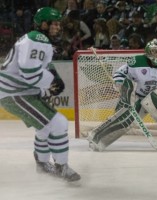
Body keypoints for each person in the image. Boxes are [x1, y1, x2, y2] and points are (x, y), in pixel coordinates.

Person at [0, 7, 80, 182]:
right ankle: (61, 166)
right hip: (15, 92)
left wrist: (52, 77)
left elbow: (39, 67)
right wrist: (51, 82)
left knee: (45, 127)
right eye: (55, 24)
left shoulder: (35, 39)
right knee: (58, 122)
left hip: (14, 92)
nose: (58, 27)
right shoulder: (39, 38)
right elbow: (29, 72)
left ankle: (43, 164)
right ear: (44, 24)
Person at [87, 38, 157, 151]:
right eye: (154, 51)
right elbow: (120, 73)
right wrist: (122, 84)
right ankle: (97, 138)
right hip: (137, 97)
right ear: (147, 52)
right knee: (125, 120)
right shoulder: (136, 61)